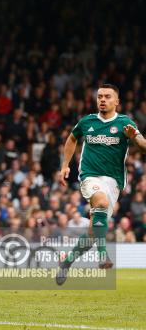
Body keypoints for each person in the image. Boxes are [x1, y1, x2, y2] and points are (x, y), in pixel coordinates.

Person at [56, 84, 146, 285]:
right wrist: (65, 165)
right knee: (101, 202)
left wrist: (134, 139)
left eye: (107, 96)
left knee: (91, 234)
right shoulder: (87, 122)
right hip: (90, 176)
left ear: (117, 102)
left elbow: (143, 146)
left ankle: (67, 262)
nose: (102, 100)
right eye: (99, 97)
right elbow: (72, 139)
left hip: (114, 182)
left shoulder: (125, 123)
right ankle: (103, 255)